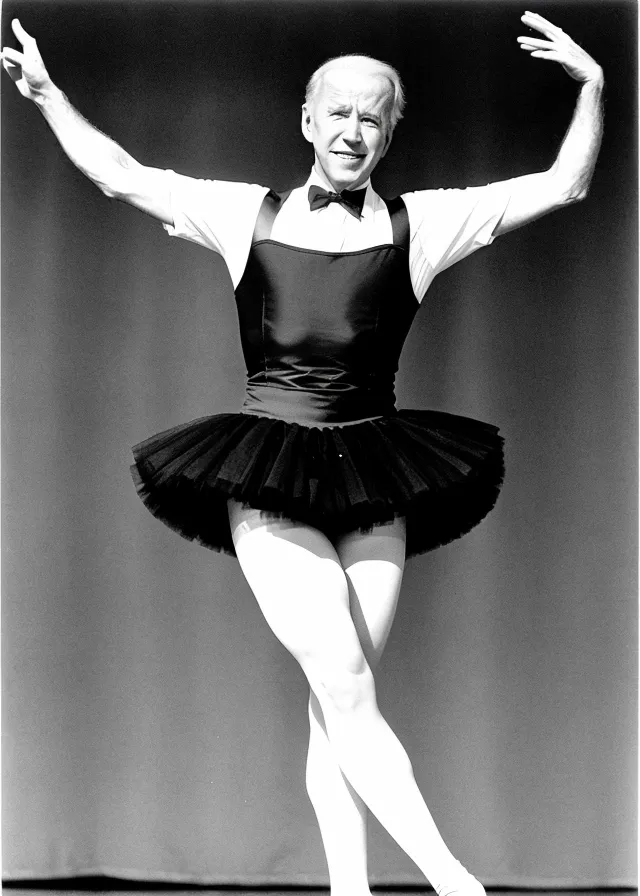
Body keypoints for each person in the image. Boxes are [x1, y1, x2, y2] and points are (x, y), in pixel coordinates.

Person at [2, 11, 604, 896]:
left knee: (339, 708)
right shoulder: (246, 215)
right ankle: (455, 883)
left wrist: (594, 87)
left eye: (373, 116)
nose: (354, 130)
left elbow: (564, 186)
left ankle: (350, 894)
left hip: (377, 476)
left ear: (389, 134)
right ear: (308, 122)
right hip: (268, 473)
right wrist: (51, 97)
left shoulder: (420, 226)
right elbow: (121, 175)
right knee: (347, 680)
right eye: (339, 112)